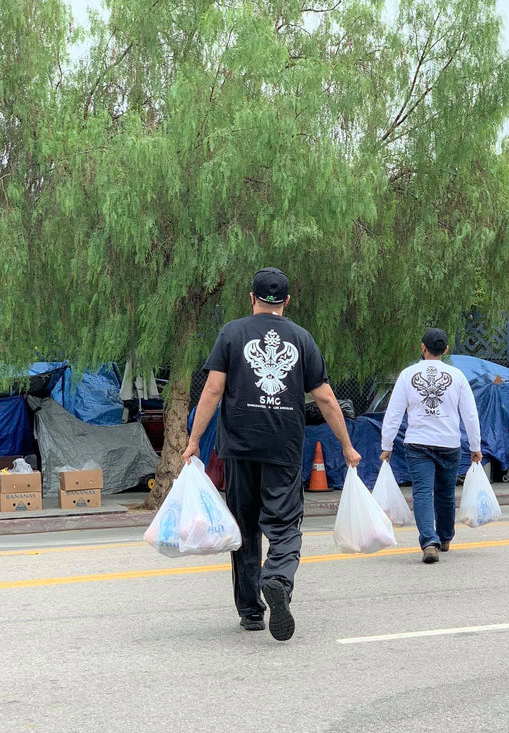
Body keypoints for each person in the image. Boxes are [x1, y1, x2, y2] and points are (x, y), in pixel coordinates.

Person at [183, 267, 361, 641]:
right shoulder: (301, 338)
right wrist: (346, 445)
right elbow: (326, 397)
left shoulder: (232, 333)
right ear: (287, 301)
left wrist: (194, 439)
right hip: (283, 447)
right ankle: (277, 577)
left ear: (252, 298)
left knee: (244, 527)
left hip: (239, 448)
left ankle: (251, 612)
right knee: (284, 525)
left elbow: (212, 390)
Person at [380, 328, 482, 563]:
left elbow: (394, 413)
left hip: (418, 443)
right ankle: (444, 537)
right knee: (445, 493)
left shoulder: (408, 375)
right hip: (449, 443)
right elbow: (470, 414)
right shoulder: (457, 376)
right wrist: (475, 446)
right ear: (445, 350)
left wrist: (387, 445)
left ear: (422, 347)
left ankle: (429, 542)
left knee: (422, 492)